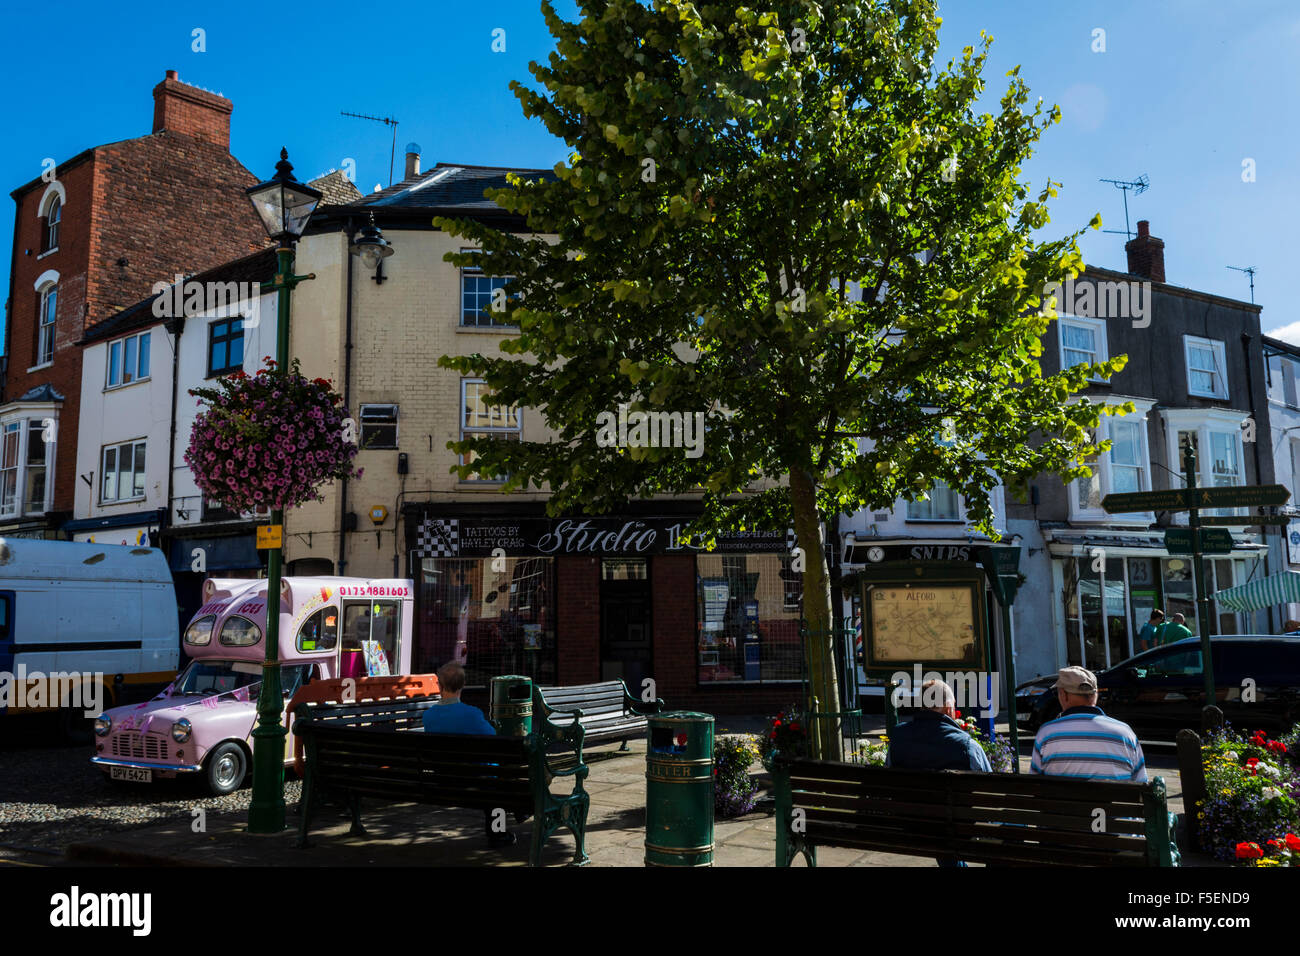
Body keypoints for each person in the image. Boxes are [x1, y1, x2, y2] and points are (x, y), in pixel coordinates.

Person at [888, 679, 991, 868]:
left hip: (909, 825)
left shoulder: (898, 738)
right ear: (947, 707)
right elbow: (990, 791)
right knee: (1015, 827)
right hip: (957, 828)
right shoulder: (966, 745)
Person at [422, 661, 516, 847]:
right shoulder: (472, 714)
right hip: (476, 779)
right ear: (462, 686)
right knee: (499, 779)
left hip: (443, 779)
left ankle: (511, 817)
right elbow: (494, 739)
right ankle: (498, 833)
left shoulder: (429, 716)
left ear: (440, 686)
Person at [1030, 666, 1146, 781]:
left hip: (1060, 799)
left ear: (1063, 695)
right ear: (1095, 695)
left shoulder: (1046, 733)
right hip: (1114, 799)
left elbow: (1035, 782)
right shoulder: (1125, 732)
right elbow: (1141, 781)